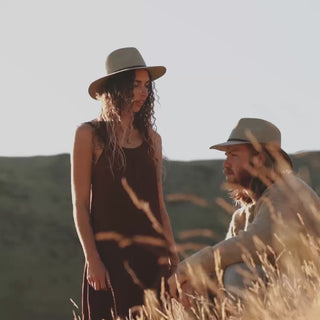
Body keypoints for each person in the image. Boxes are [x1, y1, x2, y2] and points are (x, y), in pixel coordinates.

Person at [71, 47, 178, 320]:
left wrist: (172, 252)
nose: (143, 93)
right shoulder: (88, 135)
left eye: (146, 86)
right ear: (116, 88)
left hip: (151, 258)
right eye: (134, 85)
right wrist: (93, 260)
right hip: (109, 259)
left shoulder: (153, 139)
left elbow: (158, 204)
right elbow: (80, 205)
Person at [168, 118, 320, 305]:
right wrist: (195, 280)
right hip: (285, 297)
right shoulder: (241, 217)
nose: (225, 164)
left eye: (233, 155)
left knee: (241, 274)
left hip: (310, 297)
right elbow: (223, 262)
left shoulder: (288, 190)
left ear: (260, 159)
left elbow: (255, 243)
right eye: (226, 156)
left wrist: (192, 266)